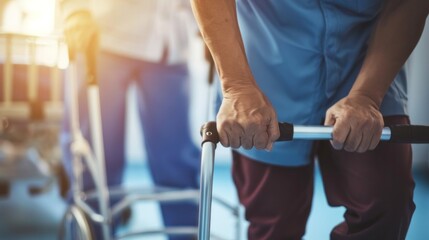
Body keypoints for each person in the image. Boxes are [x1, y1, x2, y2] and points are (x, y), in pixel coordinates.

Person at [191, 0, 428, 239]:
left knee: (386, 202)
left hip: (368, 56)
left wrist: (367, 95)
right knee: (274, 221)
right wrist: (238, 86)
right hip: (268, 55)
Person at [59, 1, 201, 239]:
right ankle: (93, 234)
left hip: (171, 42)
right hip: (101, 37)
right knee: (96, 159)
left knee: (178, 161)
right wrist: (75, 9)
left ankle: (187, 235)